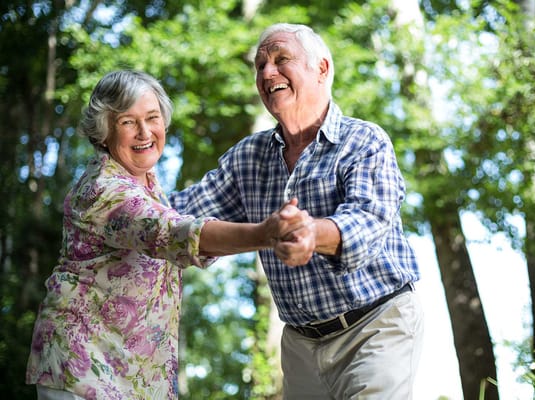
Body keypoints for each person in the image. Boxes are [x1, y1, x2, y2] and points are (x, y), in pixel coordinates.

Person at [170, 23, 424, 399]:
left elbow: (367, 221)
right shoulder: (247, 158)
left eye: (280, 59)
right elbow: (179, 215)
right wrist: (117, 197)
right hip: (300, 343)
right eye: (260, 65)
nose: (267, 72)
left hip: (376, 324)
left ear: (321, 68)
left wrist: (310, 233)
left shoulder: (363, 140)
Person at [25, 70, 310, 400]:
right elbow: (175, 232)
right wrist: (265, 234)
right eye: (128, 122)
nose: (145, 132)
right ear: (104, 132)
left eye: (152, 118)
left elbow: (188, 217)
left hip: (128, 371)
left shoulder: (147, 184)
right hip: (83, 365)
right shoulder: (103, 191)